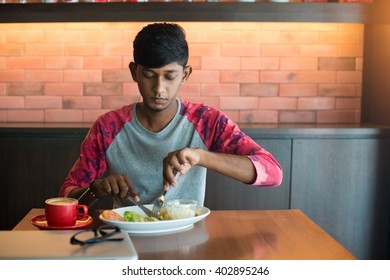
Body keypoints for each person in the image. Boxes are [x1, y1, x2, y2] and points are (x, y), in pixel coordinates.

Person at [59, 22, 283, 208]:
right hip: (127, 241)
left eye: (170, 76)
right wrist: (96, 188)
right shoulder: (108, 128)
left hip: (189, 242)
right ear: (134, 72)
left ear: (185, 74)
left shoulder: (206, 121)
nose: (159, 89)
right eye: (148, 75)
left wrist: (201, 157)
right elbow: (66, 197)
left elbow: (272, 173)